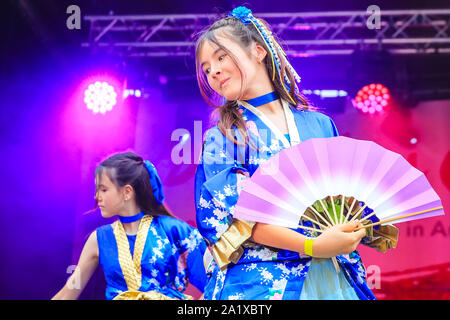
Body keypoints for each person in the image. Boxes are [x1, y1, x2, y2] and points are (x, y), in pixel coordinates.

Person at [194, 6, 375, 300]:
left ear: (258, 51)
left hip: (330, 273)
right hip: (261, 282)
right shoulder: (222, 138)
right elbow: (241, 221)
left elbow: (344, 201)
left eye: (221, 56)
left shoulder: (319, 124)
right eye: (205, 68)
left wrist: (350, 231)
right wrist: (313, 246)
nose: (213, 71)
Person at [52, 152, 207, 300]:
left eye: (104, 189)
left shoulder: (174, 230)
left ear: (127, 192)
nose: (96, 197)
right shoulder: (99, 238)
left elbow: (217, 283)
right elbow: (67, 293)